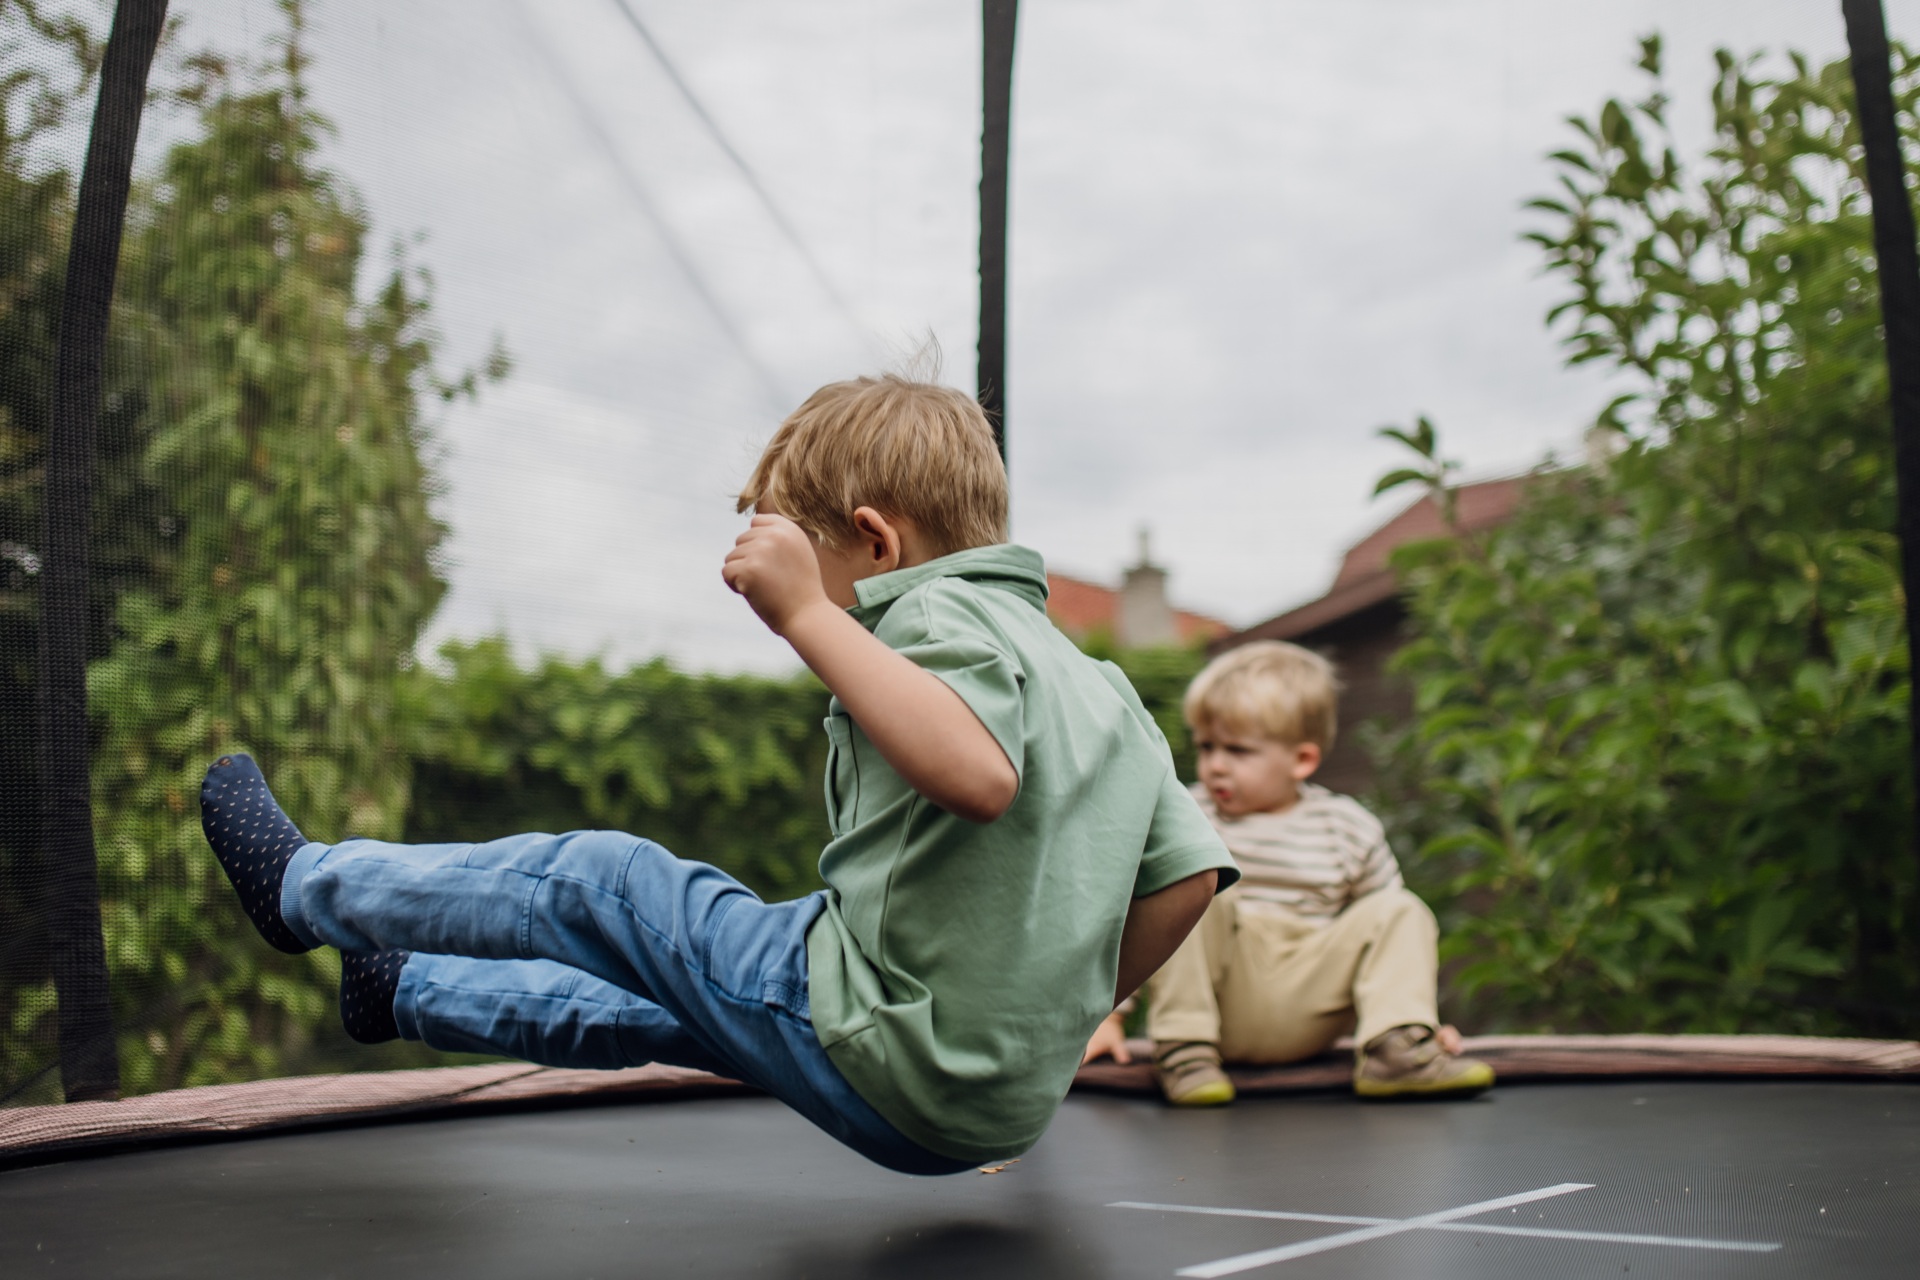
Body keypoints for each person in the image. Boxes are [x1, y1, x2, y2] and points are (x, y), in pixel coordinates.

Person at [202, 371, 1237, 1175]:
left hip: (888, 1041)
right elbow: (1189, 875)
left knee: (607, 881)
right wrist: (1048, 1017)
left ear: (875, 541)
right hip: (987, 1096)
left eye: (809, 554)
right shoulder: (1099, 683)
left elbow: (975, 771)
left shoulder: (936, 609)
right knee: (664, 996)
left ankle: (306, 890)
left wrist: (806, 613)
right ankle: (402, 987)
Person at [1081, 640, 1492, 1105]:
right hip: (1217, 1006)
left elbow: (1391, 942)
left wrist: (1419, 1019)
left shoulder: (1347, 826)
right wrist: (1110, 1017)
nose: (1215, 765)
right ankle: (1185, 1056)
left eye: (1237, 750)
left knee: (1402, 909)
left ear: (1302, 760)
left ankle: (1397, 1051)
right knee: (1195, 883)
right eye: (1206, 746)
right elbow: (1145, 923)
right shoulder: (1185, 813)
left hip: (1309, 1000)